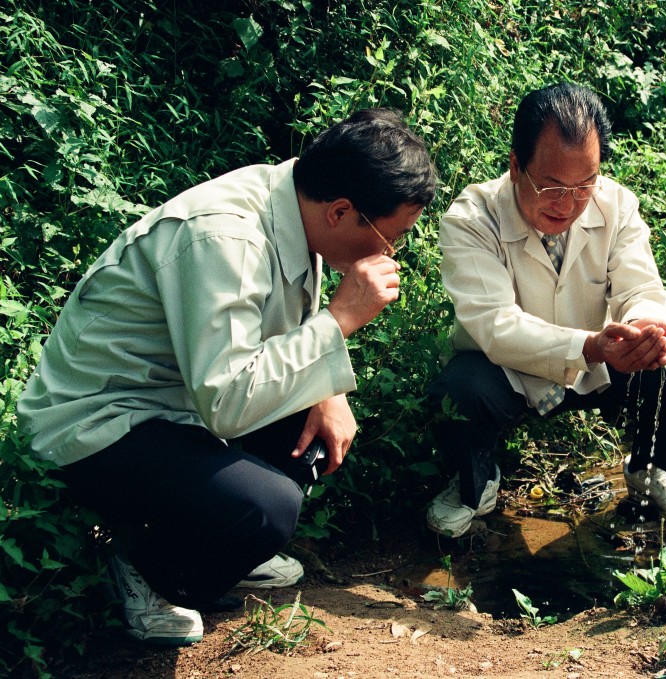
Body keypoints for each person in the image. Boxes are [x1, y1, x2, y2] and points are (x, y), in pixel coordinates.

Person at [16, 109, 437, 645]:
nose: (389, 253)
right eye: (389, 236)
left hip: (179, 403)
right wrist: (339, 322)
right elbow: (229, 401)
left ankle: (202, 541)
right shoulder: (225, 237)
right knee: (266, 510)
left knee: (309, 441)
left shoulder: (295, 207)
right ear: (341, 211)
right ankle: (148, 568)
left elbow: (258, 349)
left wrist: (325, 389)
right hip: (98, 421)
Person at [425, 83, 666, 538]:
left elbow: (642, 287)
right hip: (509, 373)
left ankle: (652, 467)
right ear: (516, 165)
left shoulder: (616, 205)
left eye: (585, 184)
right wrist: (590, 345)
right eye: (553, 185)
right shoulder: (472, 218)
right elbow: (495, 326)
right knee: (459, 387)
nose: (569, 203)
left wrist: (643, 328)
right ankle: (473, 484)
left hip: (601, 366)